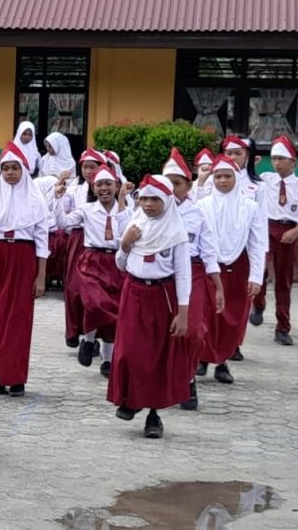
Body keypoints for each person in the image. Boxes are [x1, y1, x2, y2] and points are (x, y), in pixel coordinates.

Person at [108, 174, 191, 439]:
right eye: (144, 199)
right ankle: (130, 399)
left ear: (167, 200)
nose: (148, 205)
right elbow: (121, 264)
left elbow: (183, 274)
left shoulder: (176, 233)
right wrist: (125, 243)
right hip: (133, 292)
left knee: (156, 356)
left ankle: (154, 414)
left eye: (155, 200)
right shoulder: (135, 225)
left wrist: (183, 313)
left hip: (161, 295)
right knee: (129, 350)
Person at [0, 142, 48, 397]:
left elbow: (42, 240)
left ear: (24, 170)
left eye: (15, 168)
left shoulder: (36, 200)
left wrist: (41, 276)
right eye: (6, 168)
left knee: (18, 319)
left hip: (23, 257)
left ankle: (16, 377)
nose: (10, 173)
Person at [162, 148, 224, 410]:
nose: (171, 189)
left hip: (194, 273)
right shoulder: (151, 210)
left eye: (177, 184)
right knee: (164, 332)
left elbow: (209, 252)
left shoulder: (198, 214)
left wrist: (218, 286)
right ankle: (166, 382)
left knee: (194, 331)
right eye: (167, 183)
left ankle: (188, 378)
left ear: (188, 186)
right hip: (163, 276)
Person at [195, 156, 264, 385]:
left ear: (237, 178)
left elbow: (257, 242)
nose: (223, 181)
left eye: (228, 176)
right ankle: (202, 357)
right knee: (206, 312)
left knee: (232, 315)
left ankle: (222, 361)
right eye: (218, 176)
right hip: (208, 264)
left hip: (238, 265)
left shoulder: (250, 207)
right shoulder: (203, 205)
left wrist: (256, 276)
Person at [55, 164, 129, 377]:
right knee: (95, 303)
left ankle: (107, 360)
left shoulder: (127, 211)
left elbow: (127, 235)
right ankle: (88, 340)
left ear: (117, 186)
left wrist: (122, 204)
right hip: (92, 260)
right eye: (99, 185)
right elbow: (64, 223)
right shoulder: (86, 209)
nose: (104, 188)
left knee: (114, 310)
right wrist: (58, 199)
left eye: (108, 184)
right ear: (93, 188)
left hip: (116, 262)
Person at [250, 136, 298, 346]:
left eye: (281, 159)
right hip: (265, 228)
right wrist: (251, 164)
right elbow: (246, 181)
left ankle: (282, 327)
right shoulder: (266, 179)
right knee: (259, 269)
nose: (277, 163)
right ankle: (258, 304)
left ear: (293, 162)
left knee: (283, 280)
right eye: (274, 159)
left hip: (288, 230)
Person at [58, 149, 107, 350]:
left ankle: (94, 335)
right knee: (73, 286)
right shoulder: (74, 189)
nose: (88, 171)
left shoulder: (109, 188)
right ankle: (73, 329)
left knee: (97, 290)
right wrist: (58, 195)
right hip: (78, 238)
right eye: (85, 167)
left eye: (92, 167)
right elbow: (64, 215)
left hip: (99, 242)